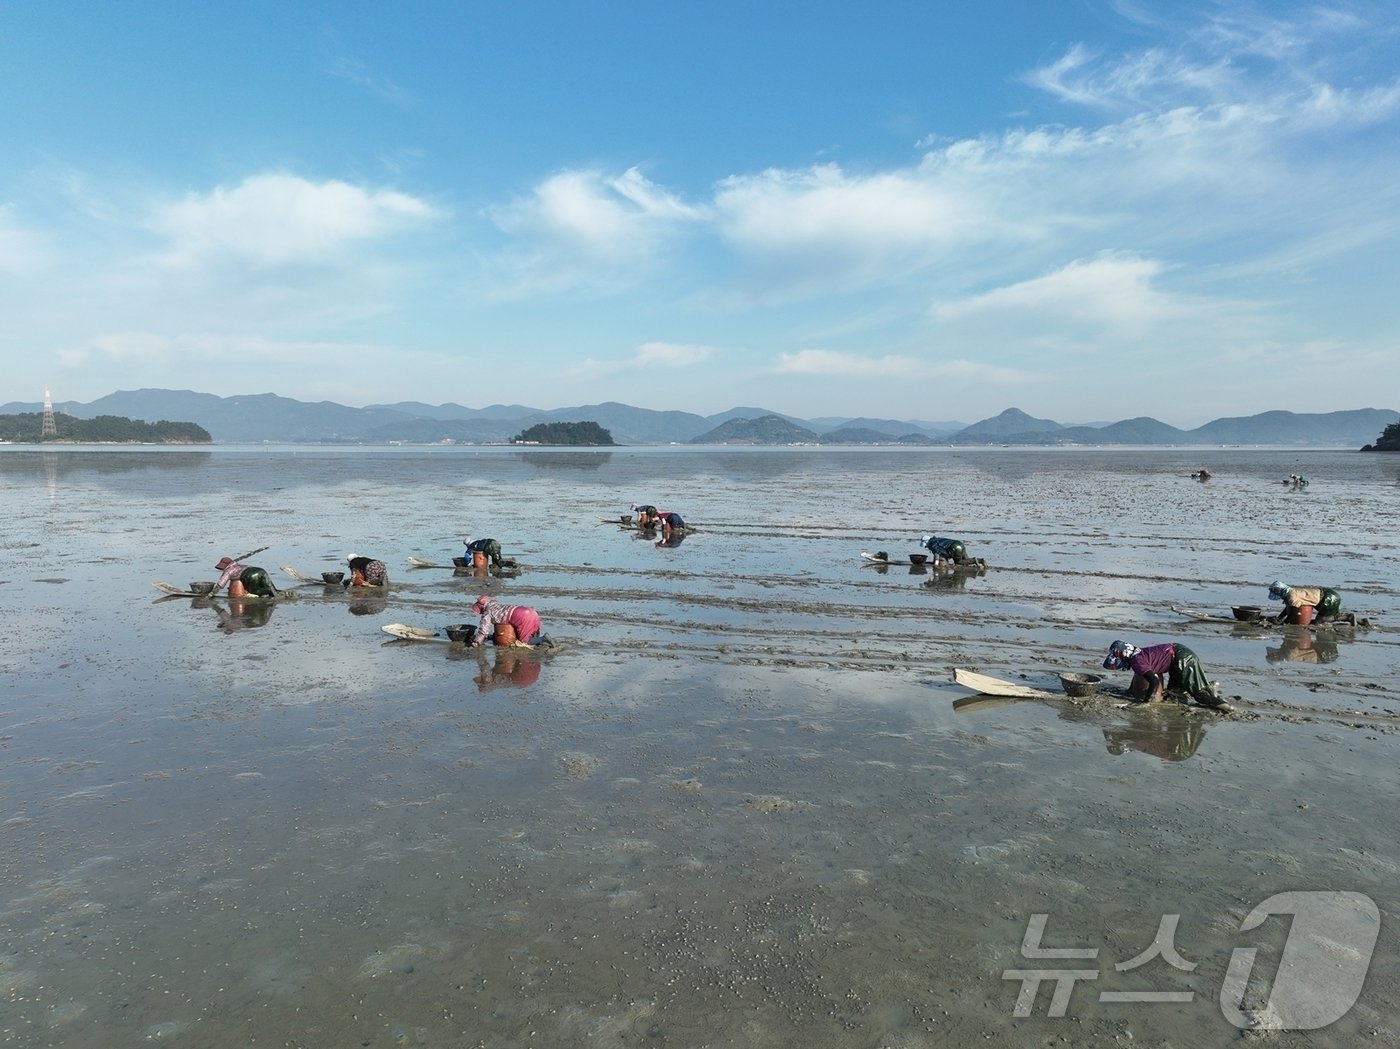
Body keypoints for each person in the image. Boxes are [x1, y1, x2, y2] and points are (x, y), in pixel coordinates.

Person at [1102, 640, 1225, 708]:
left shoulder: (1136, 661)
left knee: (1199, 697)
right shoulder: (1137, 654)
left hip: (1182, 658)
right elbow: (1143, 674)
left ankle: (1226, 707)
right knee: (1174, 694)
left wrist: (1145, 702)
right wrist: (1130, 690)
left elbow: (1154, 681)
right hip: (1177, 654)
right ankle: (1210, 687)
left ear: (1123, 656)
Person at [468, 594, 551, 648]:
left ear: (482, 606)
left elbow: (483, 630)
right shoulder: (498, 606)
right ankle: (540, 641)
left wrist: (476, 642)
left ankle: (544, 638)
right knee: (533, 636)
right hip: (531, 612)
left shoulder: (488, 613)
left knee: (524, 642)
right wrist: (492, 636)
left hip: (522, 615)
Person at [1267, 581, 1352, 625]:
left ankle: (1347, 617)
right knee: (1323, 618)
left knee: (1319, 622)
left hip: (1328, 599)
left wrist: (1284, 623)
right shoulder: (1291, 592)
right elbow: (1288, 608)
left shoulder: (1291, 596)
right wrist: (1279, 618)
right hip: (1326, 594)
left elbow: (1294, 612)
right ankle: (1342, 616)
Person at [211, 556, 279, 598]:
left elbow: (220, 584)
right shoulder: (241, 566)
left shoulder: (229, 570)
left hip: (250, 575)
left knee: (254, 592)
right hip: (260, 570)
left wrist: (211, 594)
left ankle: (268, 591)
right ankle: (275, 592)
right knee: (270, 586)